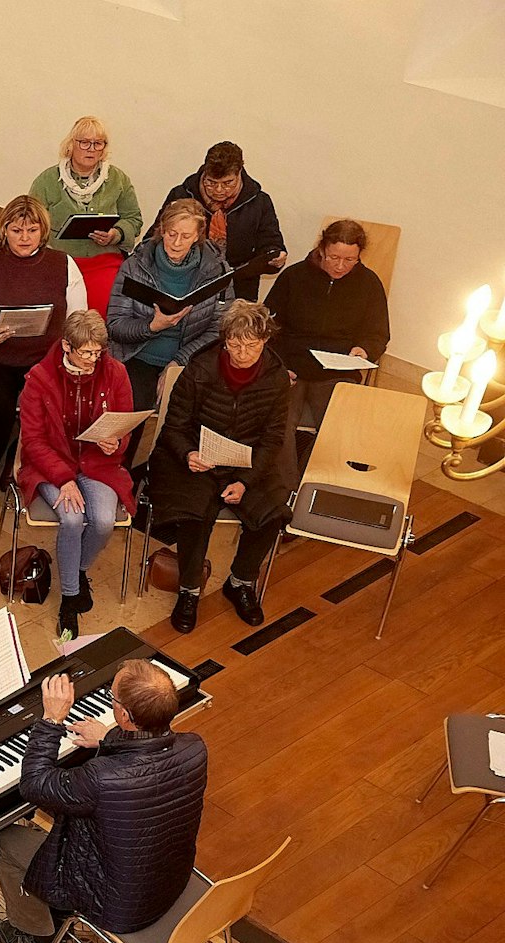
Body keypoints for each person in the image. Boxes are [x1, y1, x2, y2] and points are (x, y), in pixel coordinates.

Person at [0, 664, 207, 943]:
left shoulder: (101, 779)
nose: (111, 702)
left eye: (113, 698)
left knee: (6, 839)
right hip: (169, 881)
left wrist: (52, 719)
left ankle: (36, 938)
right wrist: (107, 740)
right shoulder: (195, 747)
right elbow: (147, 769)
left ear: (124, 717)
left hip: (118, 906)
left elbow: (34, 785)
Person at [148, 301, 294, 633]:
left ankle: (240, 581)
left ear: (265, 341)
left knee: (272, 515)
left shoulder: (275, 378)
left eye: (252, 345)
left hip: (247, 462)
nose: (243, 353)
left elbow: (273, 439)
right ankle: (188, 589)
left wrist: (246, 480)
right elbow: (174, 428)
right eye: (235, 344)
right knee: (195, 515)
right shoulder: (199, 369)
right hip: (198, 459)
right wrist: (189, 454)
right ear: (224, 340)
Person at [0, 195, 87, 489]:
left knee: (59, 403)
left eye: (32, 231)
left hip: (43, 358)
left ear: (43, 231)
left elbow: (79, 320)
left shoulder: (64, 265)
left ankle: (26, 464)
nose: (24, 238)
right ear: (4, 231)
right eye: (16, 230)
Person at [16, 311, 136, 639]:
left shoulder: (116, 372)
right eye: (86, 353)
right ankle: (69, 598)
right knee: (71, 519)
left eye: (98, 353)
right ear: (66, 346)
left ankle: (78, 569)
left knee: (102, 522)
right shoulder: (40, 379)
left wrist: (117, 442)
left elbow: (124, 422)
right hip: (51, 464)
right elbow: (35, 441)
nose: (93, 361)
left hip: (99, 463)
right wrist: (63, 478)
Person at [106, 199, 230, 412]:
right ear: (161, 230)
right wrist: (153, 326)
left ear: (198, 236)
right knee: (131, 410)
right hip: (138, 356)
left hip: (191, 359)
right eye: (172, 234)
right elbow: (115, 326)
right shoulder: (135, 266)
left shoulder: (216, 270)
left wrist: (178, 362)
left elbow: (219, 329)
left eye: (186, 236)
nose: (177, 243)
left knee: (192, 415)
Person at [264, 219, 390, 429]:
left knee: (336, 429)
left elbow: (378, 333)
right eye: (334, 257)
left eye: (350, 259)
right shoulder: (294, 276)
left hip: (337, 371)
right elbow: (268, 326)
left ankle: (316, 462)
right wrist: (276, 367)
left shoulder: (369, 283)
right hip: (291, 366)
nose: (341, 266)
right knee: (278, 425)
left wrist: (365, 350)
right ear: (322, 249)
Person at [29, 115, 143, 315]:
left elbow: (134, 218)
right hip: (61, 259)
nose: (91, 149)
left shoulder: (118, 179)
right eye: (84, 142)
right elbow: (31, 221)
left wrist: (115, 234)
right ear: (71, 145)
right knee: (59, 306)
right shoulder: (47, 180)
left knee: (106, 302)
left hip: (104, 259)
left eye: (98, 143)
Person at [159, 141, 286, 302]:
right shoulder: (183, 195)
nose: (219, 190)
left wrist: (275, 255)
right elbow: (156, 236)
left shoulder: (259, 202)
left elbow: (270, 241)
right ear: (204, 172)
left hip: (239, 288)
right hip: (186, 284)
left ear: (239, 173)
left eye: (227, 183)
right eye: (211, 183)